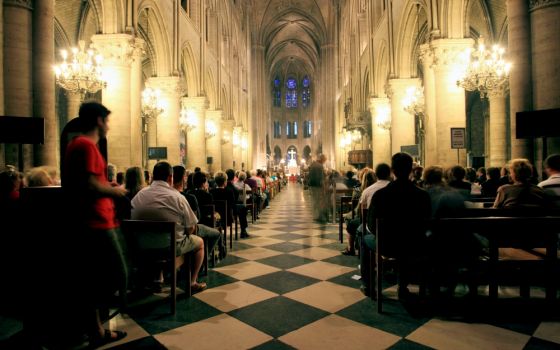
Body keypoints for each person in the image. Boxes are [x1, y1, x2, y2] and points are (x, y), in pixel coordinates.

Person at [62, 101, 128, 347]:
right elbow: (89, 186)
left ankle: (95, 330)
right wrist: (116, 192)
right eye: (107, 120)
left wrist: (108, 186)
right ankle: (93, 326)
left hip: (99, 219)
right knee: (115, 276)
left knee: (98, 278)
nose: (109, 126)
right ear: (99, 120)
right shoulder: (85, 146)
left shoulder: (81, 145)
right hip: (96, 221)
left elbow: (90, 181)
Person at [131, 161, 207, 292]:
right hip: (169, 248)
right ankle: (192, 282)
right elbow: (191, 228)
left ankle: (157, 279)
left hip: (141, 247)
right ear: (170, 178)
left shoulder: (139, 196)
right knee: (199, 242)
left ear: (152, 176)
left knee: (157, 237)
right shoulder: (177, 197)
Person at [364, 153, 431, 298]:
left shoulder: (381, 195)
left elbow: (371, 224)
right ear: (411, 170)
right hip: (415, 244)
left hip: (387, 245)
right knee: (406, 247)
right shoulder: (422, 195)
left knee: (364, 239)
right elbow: (427, 222)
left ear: (392, 170)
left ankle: (369, 286)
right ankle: (403, 286)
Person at [308, 154, 328, 223]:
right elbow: (321, 178)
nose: (324, 162)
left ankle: (316, 215)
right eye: (324, 160)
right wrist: (323, 187)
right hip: (317, 186)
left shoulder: (313, 164)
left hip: (312, 185)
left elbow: (309, 175)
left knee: (314, 200)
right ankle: (318, 216)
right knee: (318, 201)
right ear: (322, 159)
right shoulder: (320, 166)